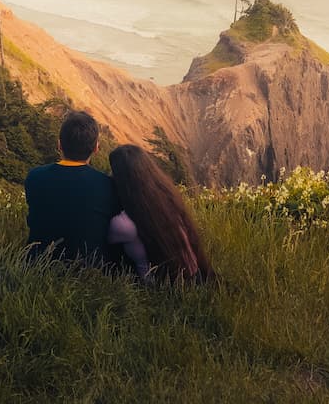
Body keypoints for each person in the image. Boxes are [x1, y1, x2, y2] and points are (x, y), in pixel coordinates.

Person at [107, 144, 213, 282]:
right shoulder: (168, 201)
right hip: (193, 276)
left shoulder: (123, 224)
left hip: (159, 290)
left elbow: (100, 245)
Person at [24, 110, 120, 264]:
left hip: (38, 264)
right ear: (96, 148)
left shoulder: (34, 177)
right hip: (91, 269)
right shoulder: (107, 185)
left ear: (59, 144)